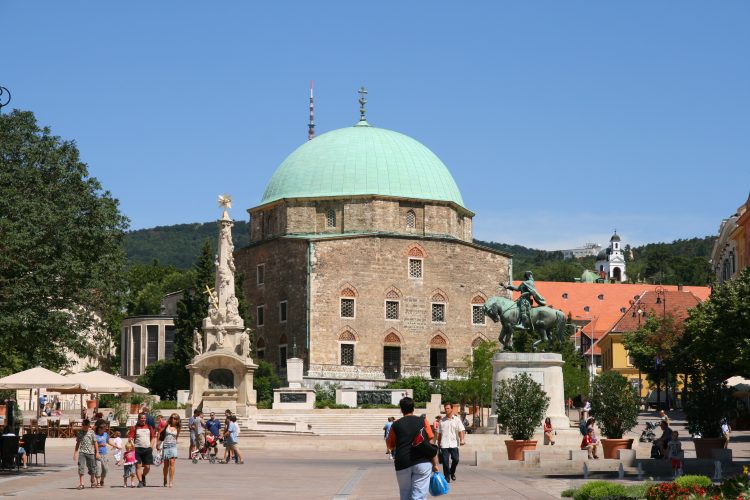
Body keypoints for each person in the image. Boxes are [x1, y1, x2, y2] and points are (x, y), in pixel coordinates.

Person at [386, 397, 439, 500]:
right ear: (413, 409)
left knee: (405, 493)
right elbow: (431, 442)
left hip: (403, 462)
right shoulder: (423, 421)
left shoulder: (395, 425)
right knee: (419, 496)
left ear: (401, 410)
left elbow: (390, 445)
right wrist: (435, 464)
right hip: (422, 461)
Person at [438, 402, 465, 483]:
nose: (446, 410)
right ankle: (447, 477)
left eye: (448, 408)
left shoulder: (457, 420)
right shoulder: (441, 421)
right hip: (444, 444)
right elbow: (439, 434)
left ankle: (452, 472)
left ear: (452, 409)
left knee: (456, 459)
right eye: (445, 408)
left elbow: (461, 430)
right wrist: (438, 444)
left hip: (454, 443)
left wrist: (462, 440)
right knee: (445, 462)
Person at [128, 412, 156, 488]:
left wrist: (151, 447)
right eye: (142, 418)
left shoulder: (149, 427)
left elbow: (153, 437)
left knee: (147, 467)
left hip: (147, 449)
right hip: (137, 449)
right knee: (138, 466)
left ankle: (143, 476)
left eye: (144, 418)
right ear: (139, 419)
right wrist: (133, 445)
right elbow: (130, 438)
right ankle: (140, 482)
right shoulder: (135, 428)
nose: (143, 419)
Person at [74, 419, 100, 489]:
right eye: (84, 426)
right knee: (81, 467)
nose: (85, 428)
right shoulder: (80, 433)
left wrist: (97, 452)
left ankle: (92, 480)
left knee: (92, 468)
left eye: (86, 427)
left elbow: (95, 442)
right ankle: (82, 484)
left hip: (91, 452)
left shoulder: (91, 432)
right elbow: (78, 443)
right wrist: (75, 452)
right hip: (82, 452)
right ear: (82, 426)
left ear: (89, 426)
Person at [157, 413, 180, 488]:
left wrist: (175, 442)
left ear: (177, 420)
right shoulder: (167, 425)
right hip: (166, 446)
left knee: (172, 462)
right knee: (166, 465)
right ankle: (165, 478)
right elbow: (159, 432)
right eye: (172, 418)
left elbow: (176, 437)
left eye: (175, 418)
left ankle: (171, 481)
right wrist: (158, 443)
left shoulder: (178, 427)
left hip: (173, 446)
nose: (173, 419)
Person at [94, 421, 111, 487]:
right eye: (104, 429)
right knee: (98, 468)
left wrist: (116, 446)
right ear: (99, 429)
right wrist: (100, 445)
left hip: (104, 454)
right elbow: (92, 446)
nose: (105, 430)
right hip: (97, 454)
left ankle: (102, 480)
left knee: (105, 469)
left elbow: (109, 442)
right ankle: (98, 482)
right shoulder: (95, 435)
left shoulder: (105, 434)